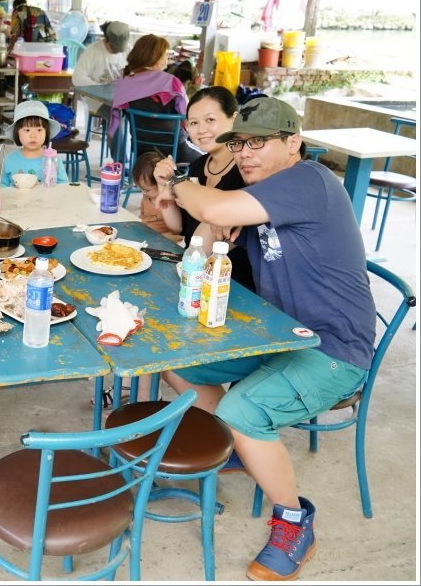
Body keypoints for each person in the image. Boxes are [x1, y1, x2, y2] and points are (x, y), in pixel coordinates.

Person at [153, 96, 376, 581]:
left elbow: (209, 203)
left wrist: (177, 184)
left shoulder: (308, 181)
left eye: (258, 143)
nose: (246, 153)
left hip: (334, 349)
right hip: (281, 337)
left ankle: (295, 520)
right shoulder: (264, 193)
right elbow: (211, 239)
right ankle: (235, 446)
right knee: (174, 361)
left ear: (293, 142)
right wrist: (212, 223)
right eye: (240, 144)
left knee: (242, 409)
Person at [156, 86, 255, 291]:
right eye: (193, 123)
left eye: (210, 120)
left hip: (231, 283)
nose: (201, 130)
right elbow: (178, 227)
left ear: (234, 118)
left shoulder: (247, 170)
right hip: (192, 273)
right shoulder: (198, 165)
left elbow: (211, 230)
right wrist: (163, 183)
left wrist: (177, 185)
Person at [109, 33, 202, 164]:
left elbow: (115, 121)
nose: (167, 58)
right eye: (165, 54)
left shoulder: (124, 84)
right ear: (156, 58)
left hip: (142, 152)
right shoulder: (171, 82)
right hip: (175, 151)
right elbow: (187, 117)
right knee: (209, 161)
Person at [0, 100, 69, 187]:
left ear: (46, 132)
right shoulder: (9, 160)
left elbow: (64, 186)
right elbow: (3, 189)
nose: (33, 135)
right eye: (27, 130)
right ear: (17, 133)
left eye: (39, 130)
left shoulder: (52, 160)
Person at [132, 151, 179, 241]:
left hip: (164, 240)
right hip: (146, 235)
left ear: (162, 183)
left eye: (147, 190)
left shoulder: (171, 202)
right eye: (141, 189)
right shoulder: (146, 198)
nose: (143, 193)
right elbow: (143, 217)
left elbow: (177, 234)